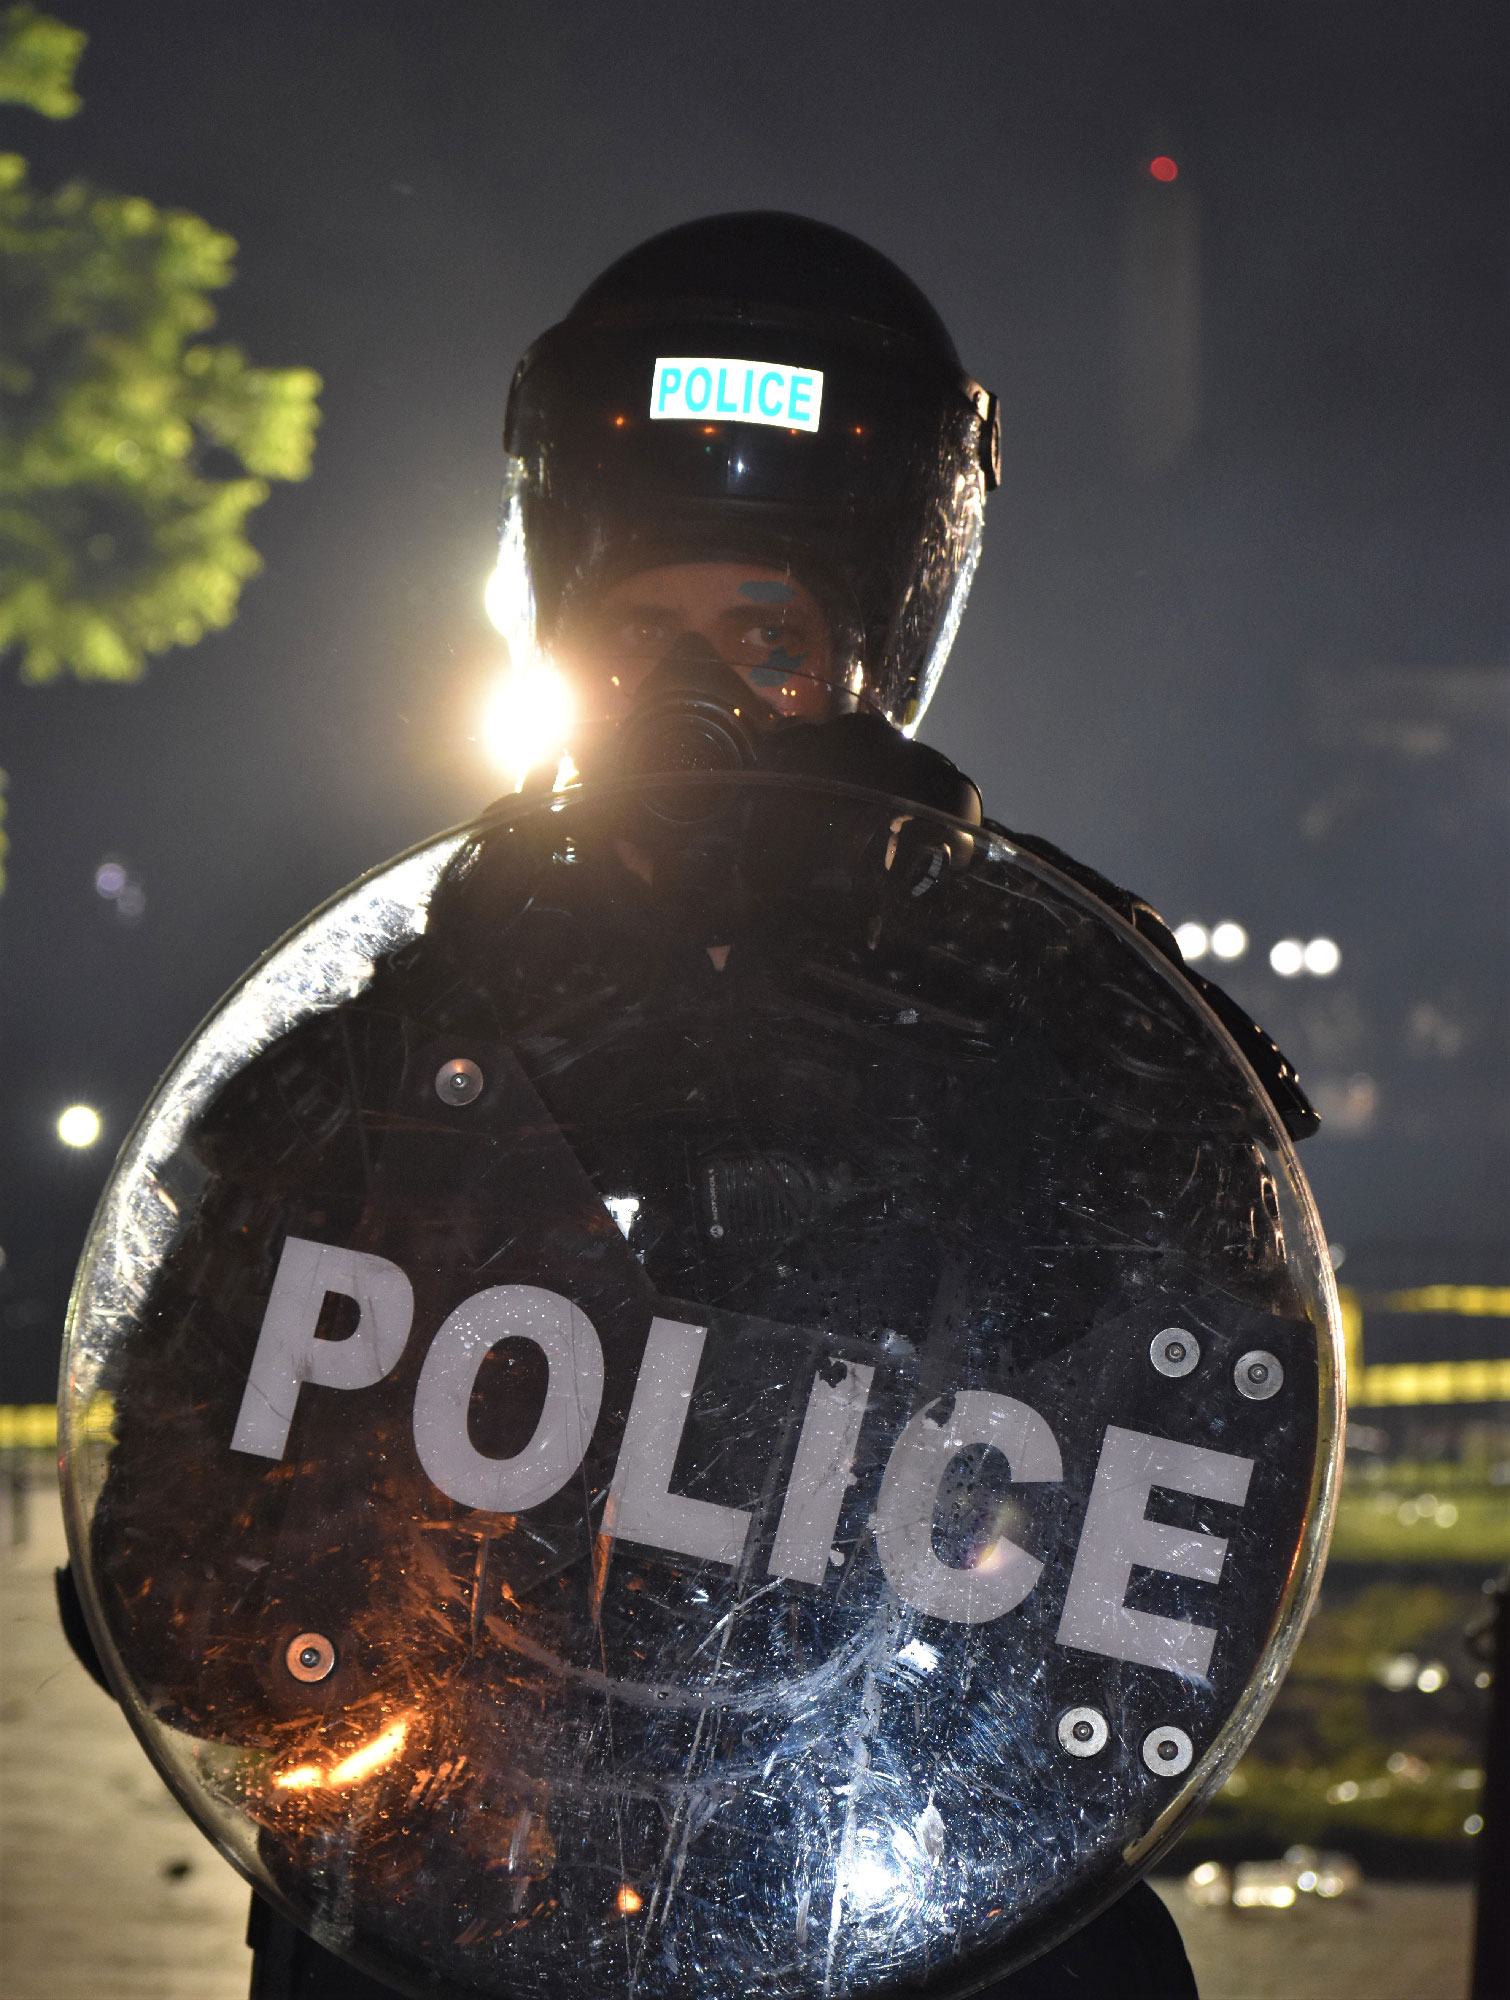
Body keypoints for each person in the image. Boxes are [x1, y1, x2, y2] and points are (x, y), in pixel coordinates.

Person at [62, 211, 1321, 2000]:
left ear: (869, 649)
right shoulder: (389, 1037)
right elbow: (188, 1585)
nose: (691, 696)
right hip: (459, 1916)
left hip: (921, 1915)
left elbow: (1197, 1568)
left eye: (758, 631)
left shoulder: (1074, 1034)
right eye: (636, 631)